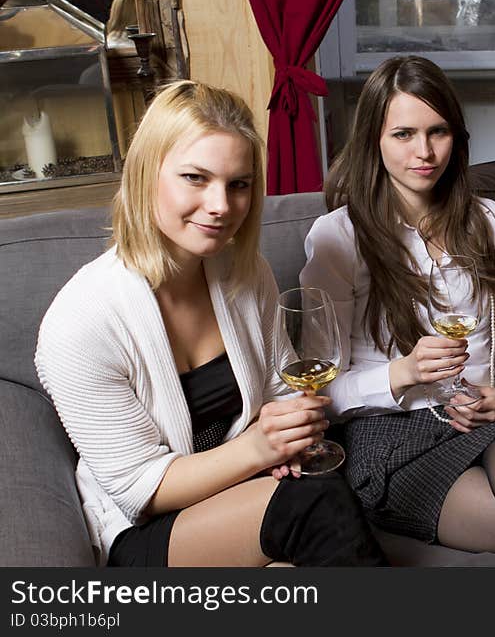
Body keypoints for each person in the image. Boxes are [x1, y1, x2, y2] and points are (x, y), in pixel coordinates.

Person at [35, 80, 386, 567]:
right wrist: (259, 448)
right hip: (147, 527)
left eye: (238, 184)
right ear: (146, 175)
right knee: (314, 504)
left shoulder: (246, 274)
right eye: (196, 178)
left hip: (242, 490)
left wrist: (283, 436)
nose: (221, 205)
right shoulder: (80, 322)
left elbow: (280, 392)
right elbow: (140, 488)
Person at [297, 55, 495, 566]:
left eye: (438, 131)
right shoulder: (339, 236)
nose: (424, 152)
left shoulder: (489, 222)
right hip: (390, 434)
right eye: (403, 134)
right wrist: (401, 373)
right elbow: (319, 390)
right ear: (374, 141)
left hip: (485, 417)